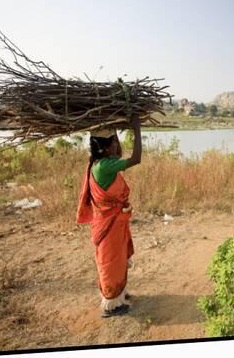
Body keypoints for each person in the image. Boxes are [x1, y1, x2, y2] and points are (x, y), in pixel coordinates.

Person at [76, 114, 142, 318]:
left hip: (112, 221)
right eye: (114, 142)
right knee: (111, 261)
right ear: (106, 146)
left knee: (118, 259)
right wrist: (137, 129)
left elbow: (120, 152)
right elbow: (136, 159)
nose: (117, 146)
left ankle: (119, 295)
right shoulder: (105, 166)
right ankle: (111, 305)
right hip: (109, 224)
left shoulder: (100, 161)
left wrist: (115, 132)